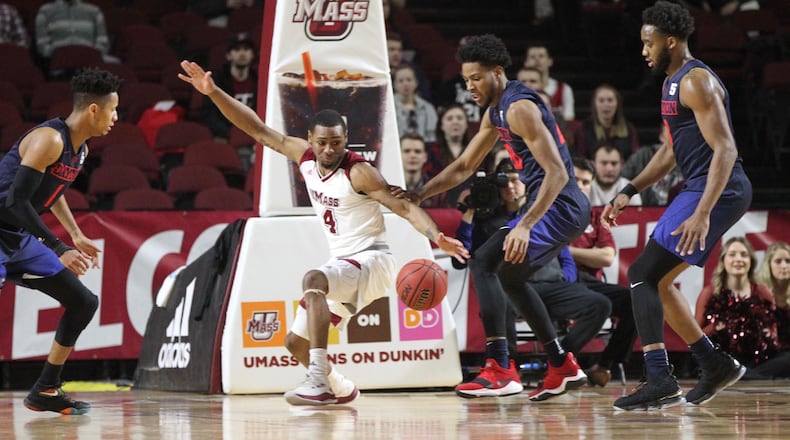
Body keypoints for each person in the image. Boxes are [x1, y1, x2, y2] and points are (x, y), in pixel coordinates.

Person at [179, 60, 469, 406]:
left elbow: (404, 207)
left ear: (346, 139)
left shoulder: (360, 172)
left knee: (313, 279)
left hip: (373, 260)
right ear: (310, 141)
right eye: (323, 143)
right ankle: (338, 386)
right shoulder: (303, 158)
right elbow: (257, 129)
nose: (330, 150)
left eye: (336, 142)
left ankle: (316, 379)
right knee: (294, 344)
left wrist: (437, 237)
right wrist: (214, 93)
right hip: (345, 262)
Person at [402, 34, 591, 401]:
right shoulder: (496, 111)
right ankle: (561, 365)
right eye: (465, 79)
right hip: (549, 205)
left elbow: (558, 174)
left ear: (498, 73)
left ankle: (501, 368)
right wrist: (418, 194)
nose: (469, 86)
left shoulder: (519, 107)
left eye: (476, 78)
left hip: (560, 204)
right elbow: (464, 166)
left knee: (485, 263)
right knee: (509, 277)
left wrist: (525, 224)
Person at [603, 1, 753, 411]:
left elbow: (725, 148)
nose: (643, 50)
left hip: (719, 187)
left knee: (641, 274)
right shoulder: (672, 83)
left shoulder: (695, 81)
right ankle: (713, 363)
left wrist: (703, 212)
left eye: (648, 42)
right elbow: (670, 151)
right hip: (701, 185)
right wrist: (629, 189)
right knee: (658, 281)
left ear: (670, 41)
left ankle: (659, 377)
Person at [0, 68, 120, 414]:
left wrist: (76, 234)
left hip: (18, 237)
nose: (116, 118)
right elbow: (17, 200)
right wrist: (58, 247)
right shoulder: (50, 139)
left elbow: (52, 191)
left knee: (82, 302)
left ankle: (46, 390)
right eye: (113, 110)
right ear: (93, 110)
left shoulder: (79, 149)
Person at [452, 159, 610, 399]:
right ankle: (526, 363)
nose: (510, 187)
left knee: (600, 303)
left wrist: (564, 280)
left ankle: (538, 362)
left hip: (550, 285)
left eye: (516, 180)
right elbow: (460, 258)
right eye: (504, 182)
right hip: (516, 286)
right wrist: (469, 212)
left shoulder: (538, 210)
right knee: (504, 282)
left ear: (527, 182)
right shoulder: (487, 218)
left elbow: (564, 256)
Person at [569, 156, 637, 387]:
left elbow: (607, 257)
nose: (580, 186)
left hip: (590, 284)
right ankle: (563, 361)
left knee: (634, 300)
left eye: (586, 182)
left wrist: (565, 251)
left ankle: (604, 364)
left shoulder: (597, 216)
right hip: (561, 281)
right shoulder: (552, 211)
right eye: (575, 180)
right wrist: (589, 254)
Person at [695, 237, 790, 379]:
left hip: (757, 360)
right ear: (723, 260)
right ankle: (749, 377)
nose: (738, 259)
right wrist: (715, 328)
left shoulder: (762, 291)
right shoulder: (710, 292)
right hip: (725, 358)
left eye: (744, 255)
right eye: (732, 254)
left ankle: (744, 376)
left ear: (751, 261)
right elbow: (695, 335)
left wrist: (767, 333)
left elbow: (773, 331)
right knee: (714, 365)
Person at [201, 32, 258, 139]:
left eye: (246, 49)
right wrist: (230, 133)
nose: (242, 53)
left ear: (252, 55)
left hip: (256, 134)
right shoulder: (216, 81)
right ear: (228, 55)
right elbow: (209, 114)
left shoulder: (259, 80)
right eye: (237, 50)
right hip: (225, 135)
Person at [571, 83, 640, 161]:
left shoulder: (629, 129)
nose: (606, 104)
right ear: (595, 104)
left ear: (617, 103)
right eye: (601, 100)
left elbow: (635, 158)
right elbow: (580, 158)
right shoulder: (583, 128)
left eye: (610, 100)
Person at [621, 124, 684, 206]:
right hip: (646, 209)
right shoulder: (643, 156)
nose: (675, 139)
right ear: (661, 137)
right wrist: (628, 193)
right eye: (671, 133)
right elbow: (623, 179)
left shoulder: (692, 159)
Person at [756, 241, 790, 377]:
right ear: (768, 266)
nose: (784, 266)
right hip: (766, 354)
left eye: (788, 261)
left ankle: (749, 376)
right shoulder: (760, 293)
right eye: (778, 261)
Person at [34, 1, 110, 59]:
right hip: (59, 61)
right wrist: (60, 54)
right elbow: (42, 45)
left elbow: (103, 43)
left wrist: (91, 55)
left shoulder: (95, 11)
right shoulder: (45, 11)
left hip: (90, 60)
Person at [523, 43, 575, 121]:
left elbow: (569, 119)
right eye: (532, 57)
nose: (537, 60)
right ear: (526, 62)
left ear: (550, 61)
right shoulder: (517, 89)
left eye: (541, 56)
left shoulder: (564, 89)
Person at [400, 132, 448, 209]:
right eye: (407, 151)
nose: (412, 155)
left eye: (417, 151)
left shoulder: (438, 191)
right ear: (398, 155)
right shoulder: (388, 189)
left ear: (425, 157)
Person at [393, 64, 438, 143]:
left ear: (416, 83)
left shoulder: (428, 108)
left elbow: (432, 136)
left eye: (409, 80)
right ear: (394, 85)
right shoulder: (387, 108)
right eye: (401, 81)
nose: (405, 84)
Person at [386, 32, 432, 101]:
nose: (396, 53)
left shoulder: (414, 70)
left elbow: (425, 95)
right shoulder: (376, 70)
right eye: (392, 50)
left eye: (399, 50)